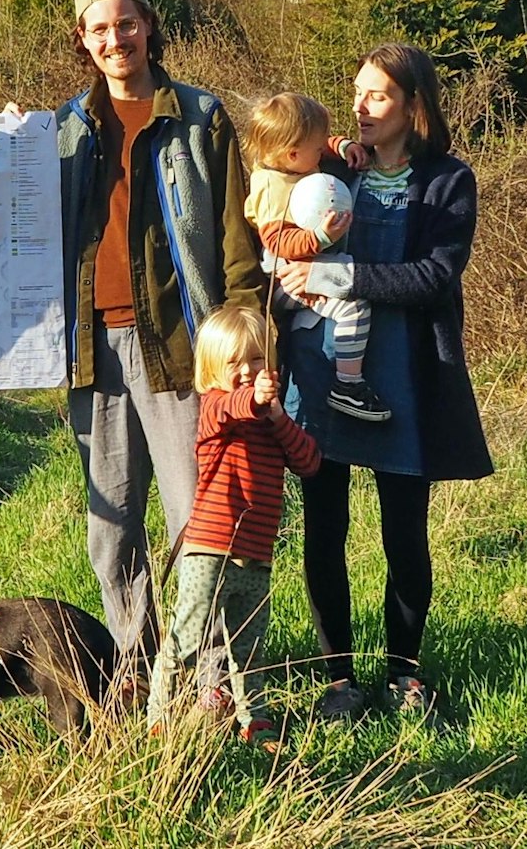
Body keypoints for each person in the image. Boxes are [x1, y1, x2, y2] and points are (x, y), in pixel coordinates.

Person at [56, 0, 265, 681]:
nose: (115, 39)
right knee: (110, 535)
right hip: (93, 354)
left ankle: (211, 678)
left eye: (127, 24)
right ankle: (140, 669)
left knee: (197, 526)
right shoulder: (61, 130)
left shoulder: (200, 118)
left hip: (180, 351)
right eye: (99, 29)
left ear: (148, 25)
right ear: (83, 40)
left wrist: (248, 340)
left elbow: (238, 242)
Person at [275, 43, 493, 720]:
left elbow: (434, 276)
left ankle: (405, 674)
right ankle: (338, 676)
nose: (360, 107)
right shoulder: (337, 168)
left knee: (405, 533)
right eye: (357, 92)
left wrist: (336, 277)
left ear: (412, 106)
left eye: (377, 96)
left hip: (405, 382)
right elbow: (275, 208)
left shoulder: (448, 181)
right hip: (320, 379)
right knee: (324, 528)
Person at [147, 305, 319, 746]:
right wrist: (257, 399)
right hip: (211, 548)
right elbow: (231, 407)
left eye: (257, 360)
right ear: (212, 370)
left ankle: (254, 720)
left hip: (256, 556)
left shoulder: (271, 424)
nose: (247, 370)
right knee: (186, 637)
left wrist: (278, 416)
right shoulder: (214, 409)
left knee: (247, 648)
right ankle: (159, 714)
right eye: (234, 363)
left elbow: (308, 461)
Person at [243, 92, 391, 422]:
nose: (322, 150)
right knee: (354, 308)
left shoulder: (291, 157)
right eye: (317, 147)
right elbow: (278, 240)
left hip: (305, 267)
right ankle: (348, 385)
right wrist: (321, 237)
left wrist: (343, 147)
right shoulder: (271, 187)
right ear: (293, 153)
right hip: (286, 277)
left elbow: (322, 144)